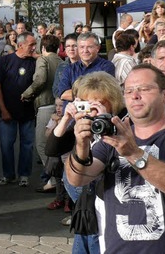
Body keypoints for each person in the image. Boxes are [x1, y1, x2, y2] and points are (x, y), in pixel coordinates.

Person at [67, 64, 165, 253]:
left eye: (144, 89)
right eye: (129, 91)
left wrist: (133, 153)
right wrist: (81, 145)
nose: (135, 95)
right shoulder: (110, 140)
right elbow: (77, 179)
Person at [46, 71, 126, 253]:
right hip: (84, 195)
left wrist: (106, 120)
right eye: (86, 102)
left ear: (112, 100)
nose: (91, 108)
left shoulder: (123, 119)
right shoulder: (84, 120)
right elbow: (51, 149)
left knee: (96, 241)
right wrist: (67, 118)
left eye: (98, 102)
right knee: (84, 239)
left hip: (108, 194)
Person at [0, 32, 37, 187]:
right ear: (20, 45)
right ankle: (8, 175)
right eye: (31, 44)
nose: (34, 48)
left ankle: (24, 175)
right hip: (7, 112)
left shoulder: (35, 62)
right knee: (6, 145)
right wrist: (3, 109)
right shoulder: (5, 61)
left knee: (27, 145)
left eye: (34, 44)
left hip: (28, 112)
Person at [20, 35, 63, 185]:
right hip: (59, 105)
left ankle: (54, 179)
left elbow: (40, 79)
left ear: (42, 48)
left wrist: (26, 93)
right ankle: (57, 179)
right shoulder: (61, 61)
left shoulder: (42, 60)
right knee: (56, 145)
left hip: (45, 104)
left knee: (42, 144)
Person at [57, 32, 115, 105]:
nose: (85, 51)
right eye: (82, 47)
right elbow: (63, 94)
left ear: (98, 48)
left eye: (89, 47)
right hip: (72, 115)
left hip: (96, 114)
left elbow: (104, 94)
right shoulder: (69, 69)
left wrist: (75, 94)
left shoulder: (106, 67)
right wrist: (91, 94)